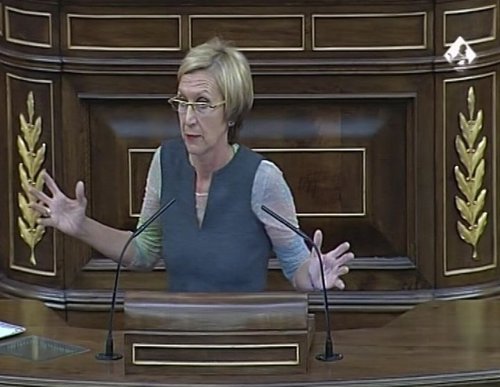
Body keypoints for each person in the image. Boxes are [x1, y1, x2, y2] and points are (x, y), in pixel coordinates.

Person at [30, 37, 354, 292]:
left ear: (231, 112)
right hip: (177, 333)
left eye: (202, 104)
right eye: (182, 102)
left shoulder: (262, 178)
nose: (188, 118)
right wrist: (82, 227)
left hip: (245, 337)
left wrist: (313, 276)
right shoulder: (165, 162)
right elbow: (143, 252)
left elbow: (297, 266)